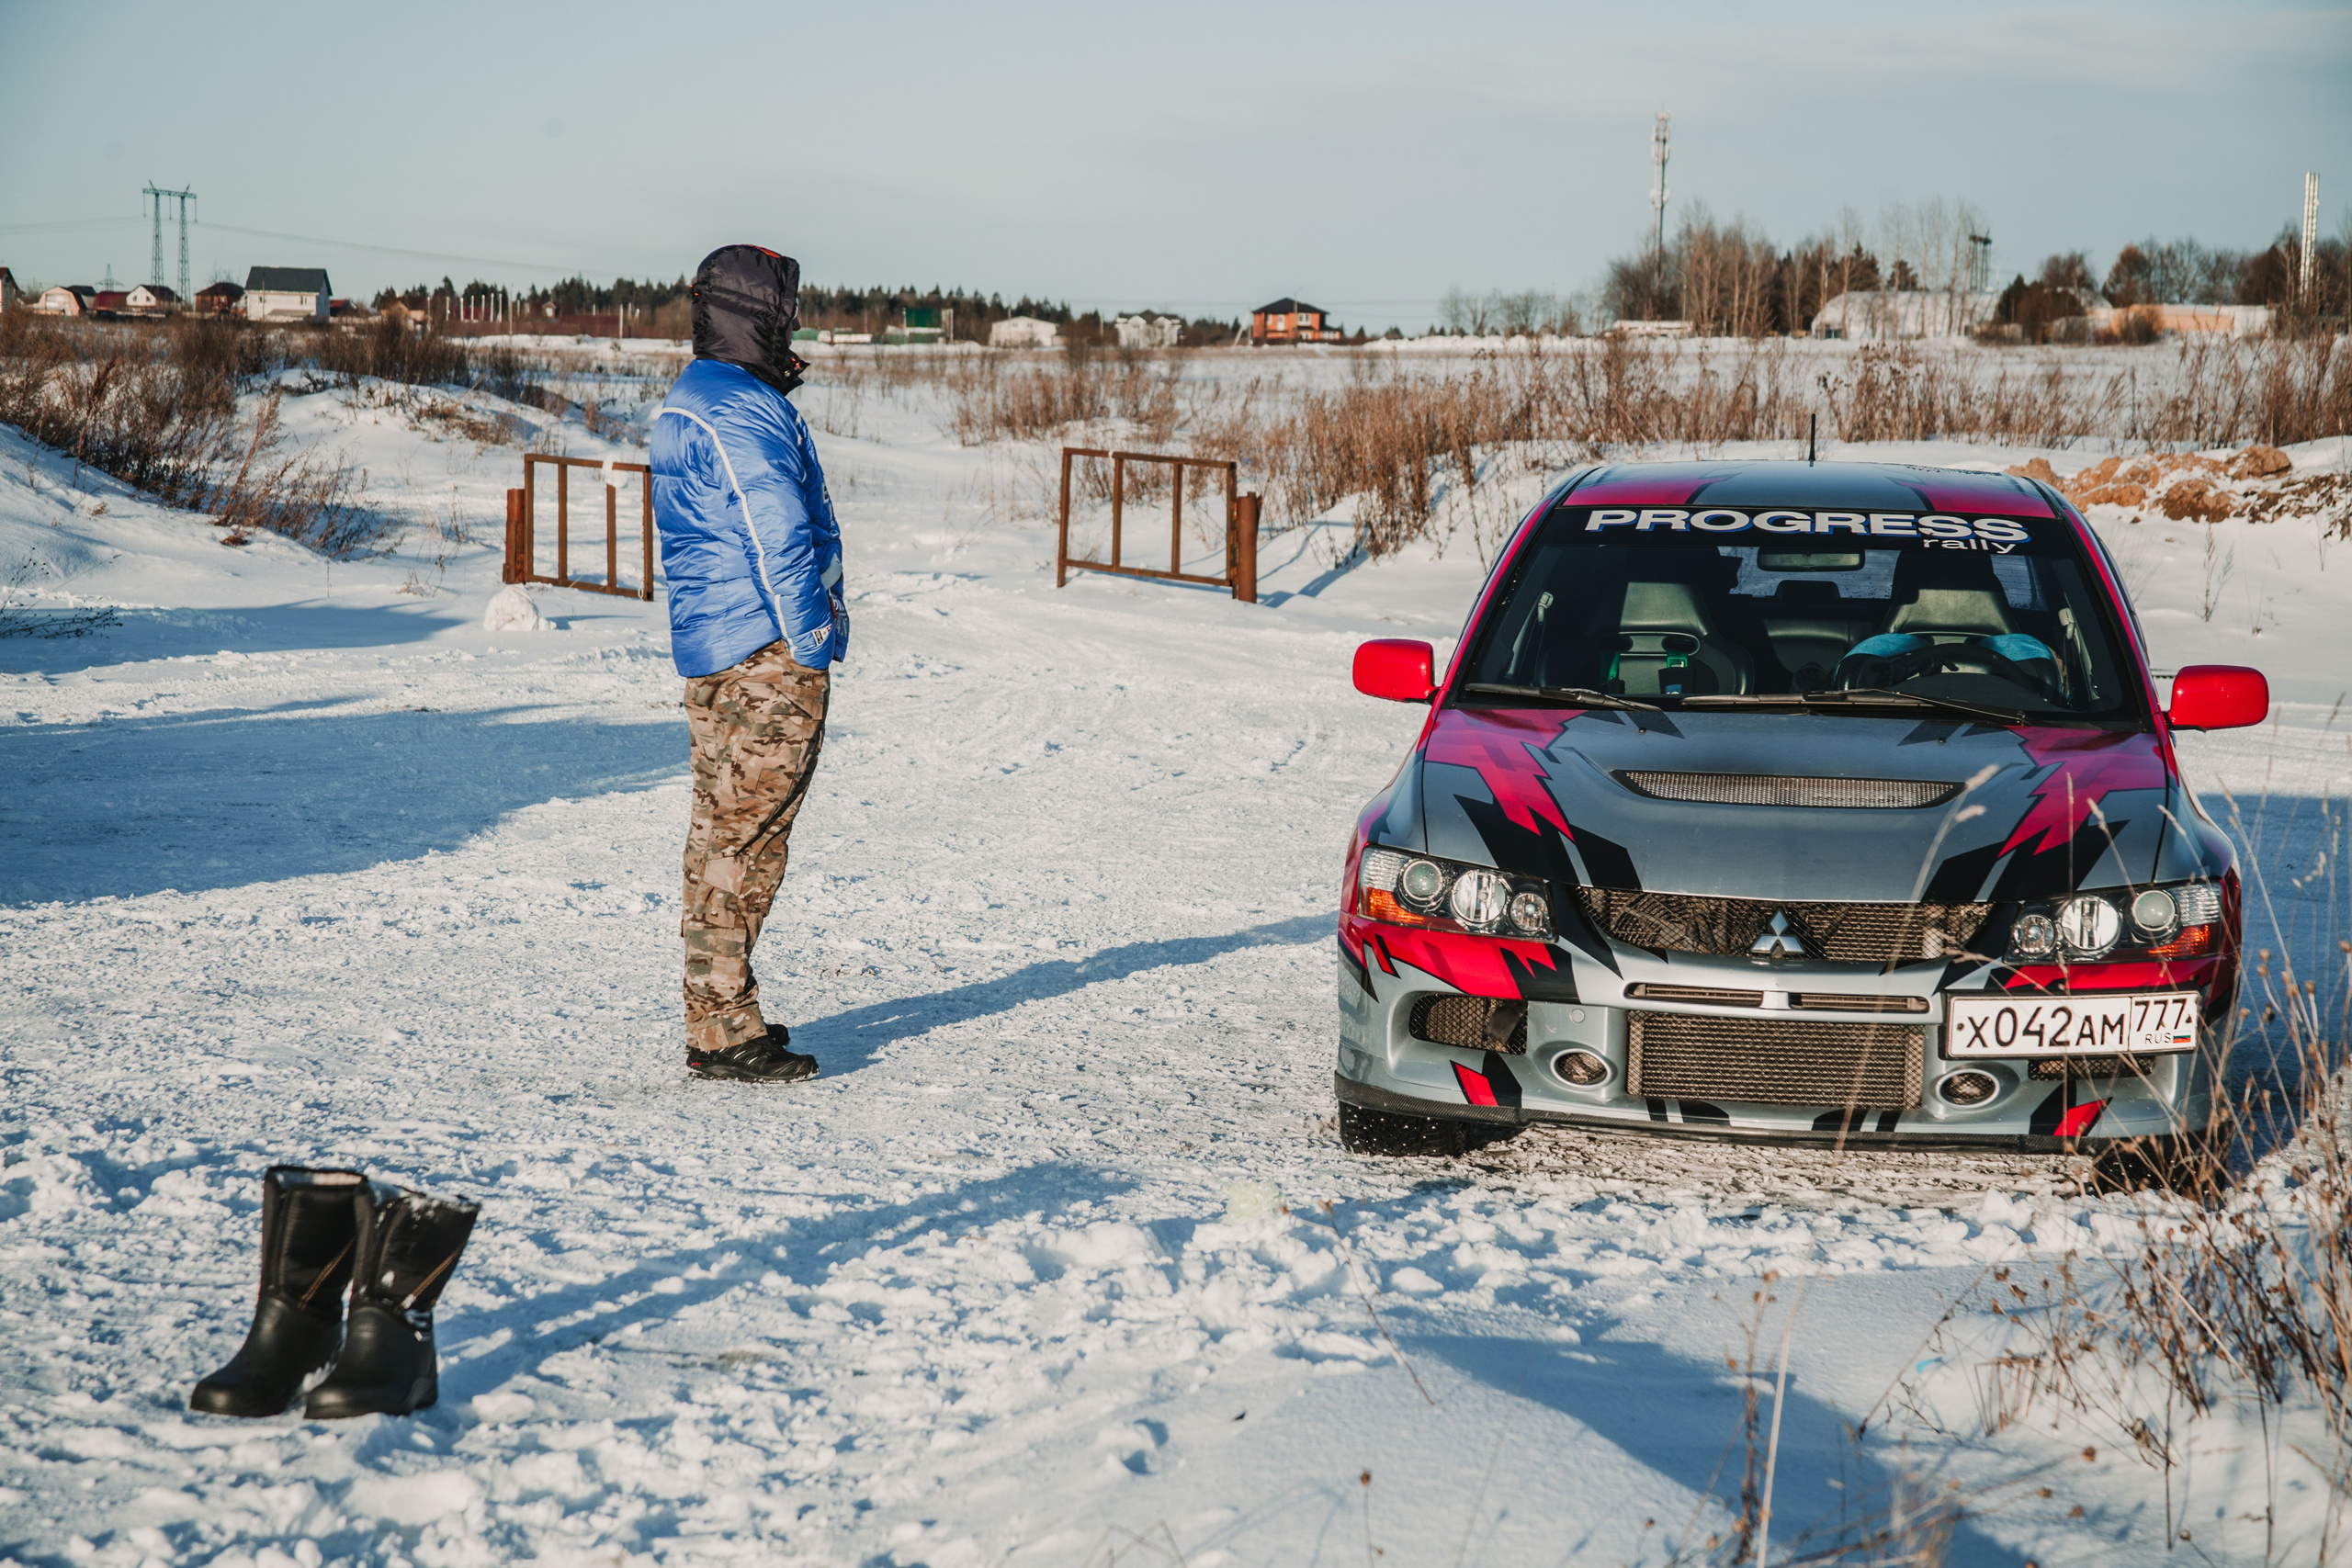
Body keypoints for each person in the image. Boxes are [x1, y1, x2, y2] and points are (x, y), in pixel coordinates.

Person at [649, 245, 847, 1082]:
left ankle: (721, 1003)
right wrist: (812, 638)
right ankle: (722, 1026)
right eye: (784, 312)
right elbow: (778, 535)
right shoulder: (737, 411)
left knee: (725, 834)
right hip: (761, 653)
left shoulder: (704, 397)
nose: (794, 324)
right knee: (743, 839)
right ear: (754, 315)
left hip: (723, 646)